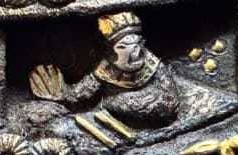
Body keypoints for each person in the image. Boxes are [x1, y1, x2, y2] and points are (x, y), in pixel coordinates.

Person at [29, 11, 180, 126]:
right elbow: (79, 94)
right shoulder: (104, 71)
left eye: (138, 44)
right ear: (110, 53)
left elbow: (170, 101)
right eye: (123, 47)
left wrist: (112, 103)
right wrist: (60, 95)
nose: (136, 53)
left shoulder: (153, 63)